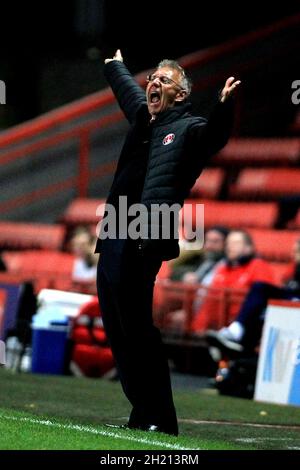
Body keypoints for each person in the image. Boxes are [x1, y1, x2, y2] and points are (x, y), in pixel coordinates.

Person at [95, 49, 240, 436]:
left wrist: (223, 106)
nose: (153, 84)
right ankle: (142, 410)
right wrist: (115, 66)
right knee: (117, 328)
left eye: (163, 80)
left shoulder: (189, 126)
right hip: (113, 230)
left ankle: (162, 415)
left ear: (180, 94)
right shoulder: (143, 119)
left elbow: (214, 137)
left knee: (138, 329)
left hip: (145, 233)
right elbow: (128, 91)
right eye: (152, 79)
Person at [206, 239, 300, 355]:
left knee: (268, 312)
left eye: (297, 251)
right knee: (259, 290)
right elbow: (289, 287)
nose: (293, 254)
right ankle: (236, 331)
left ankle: (240, 345)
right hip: (291, 299)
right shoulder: (295, 268)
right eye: (294, 251)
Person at [191, 230, 275, 332]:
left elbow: (260, 301)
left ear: (249, 248)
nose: (230, 247)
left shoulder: (259, 266)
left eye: (236, 243)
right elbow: (210, 303)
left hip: (244, 330)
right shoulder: (222, 268)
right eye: (228, 243)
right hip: (217, 328)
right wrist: (198, 327)